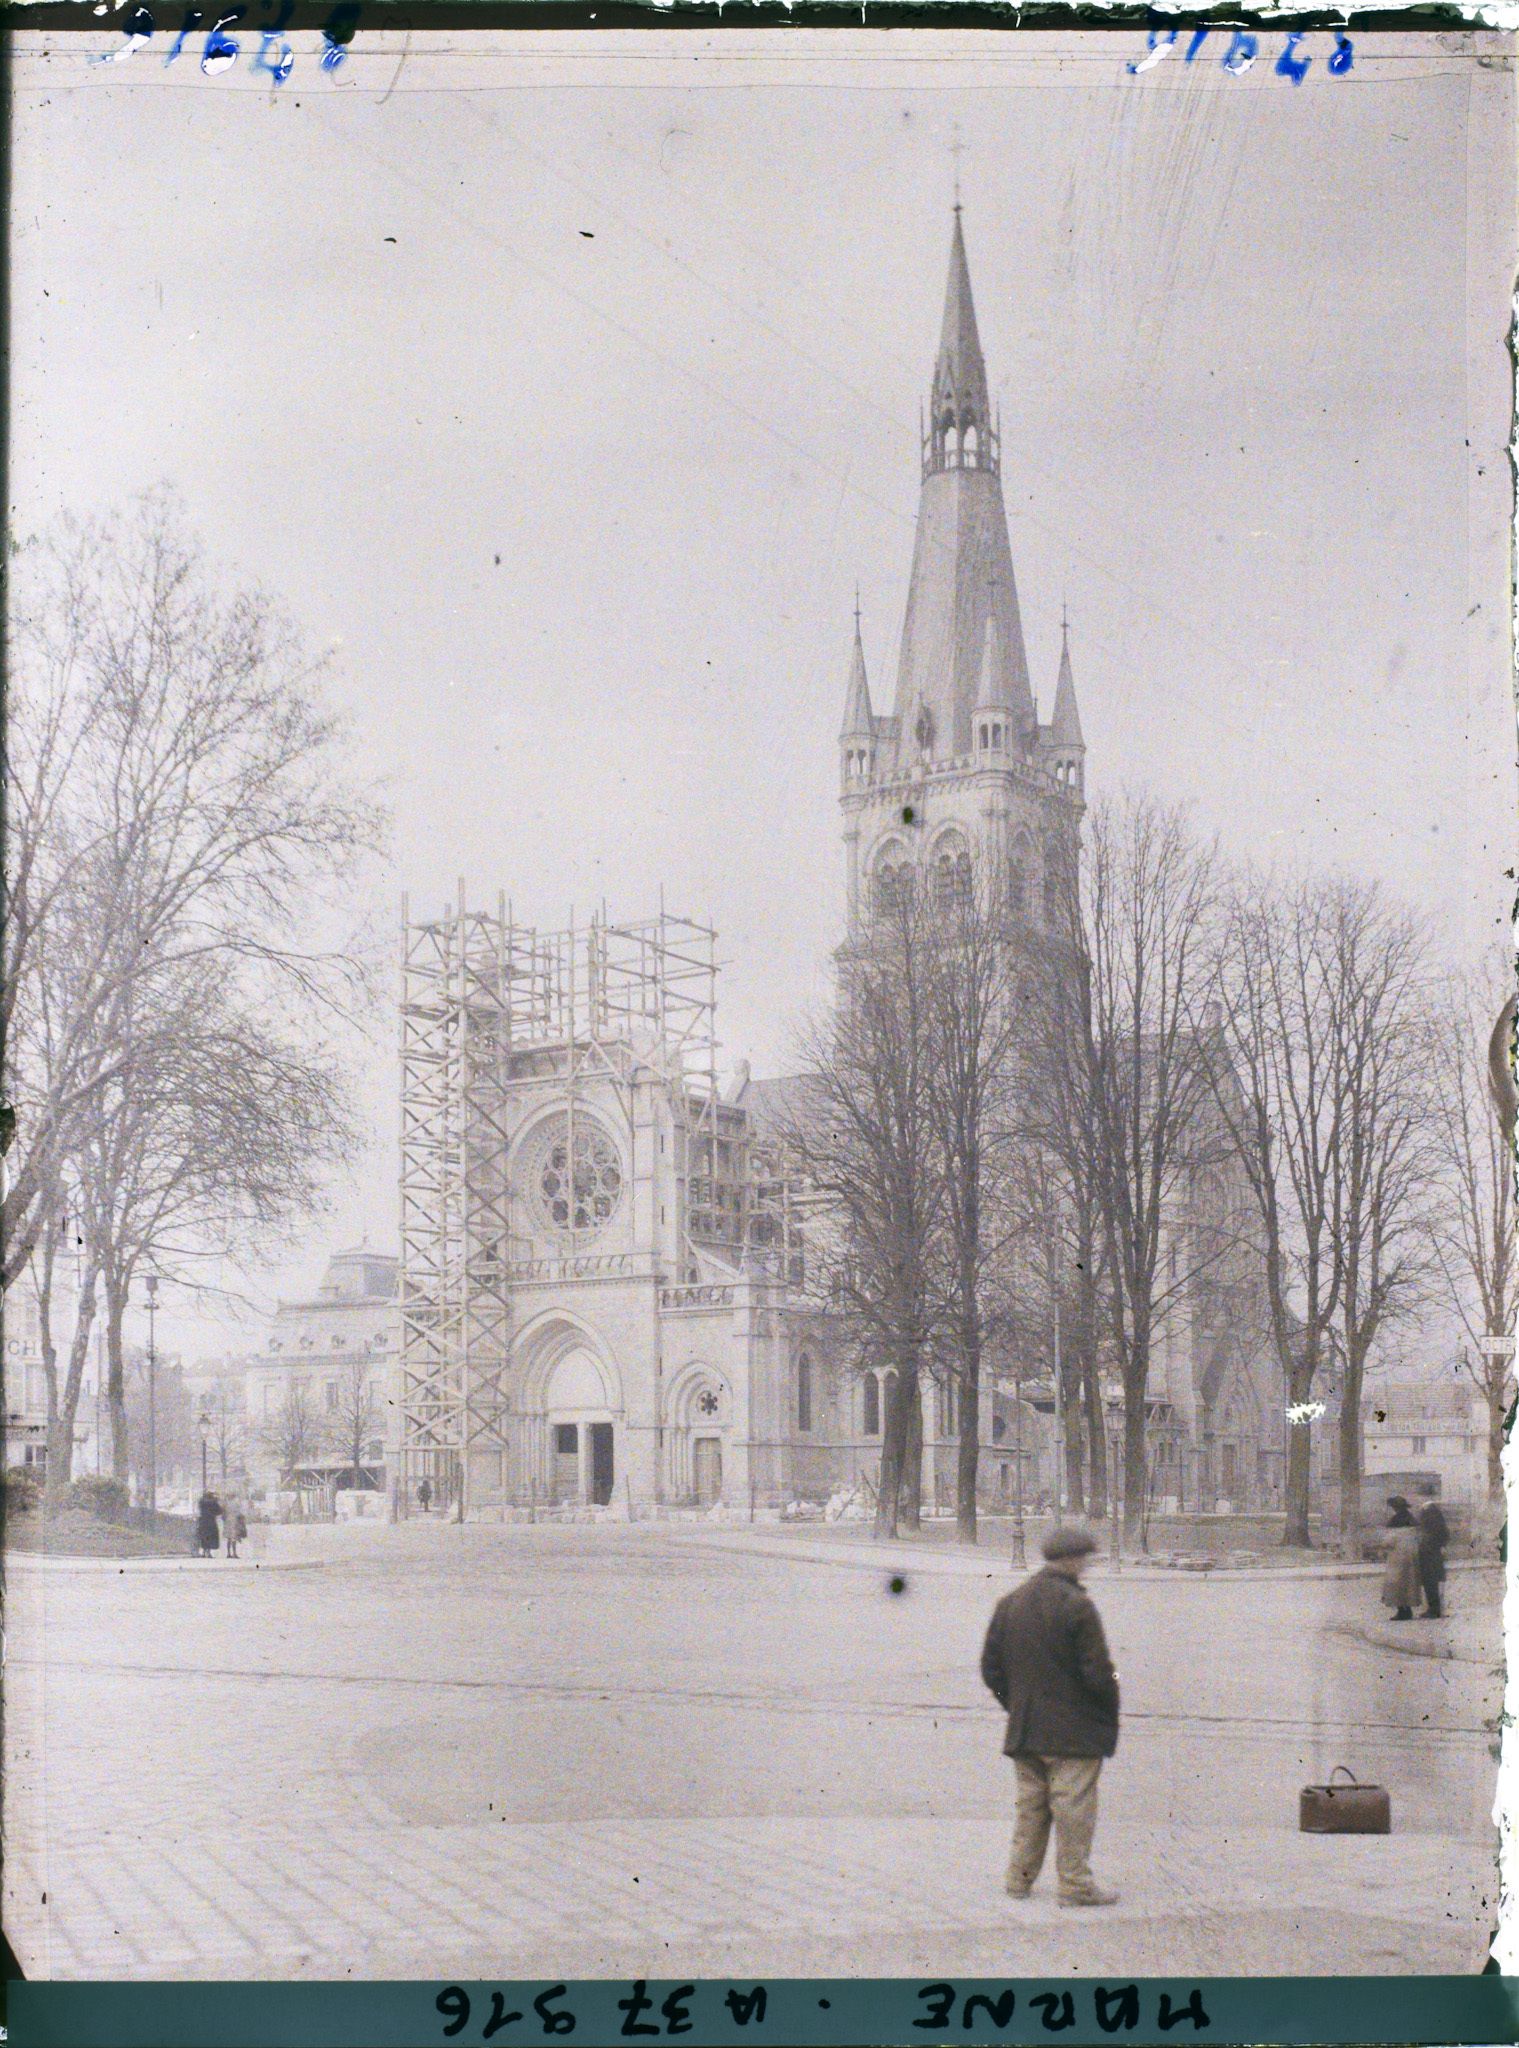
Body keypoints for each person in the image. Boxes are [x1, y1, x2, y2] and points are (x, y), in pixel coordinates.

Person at [980, 1524, 1121, 1908]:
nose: (1088, 1565)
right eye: (1086, 1559)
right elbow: (1098, 1674)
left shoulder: (1011, 1602)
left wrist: (1018, 1704)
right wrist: (1107, 1705)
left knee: (1031, 1808)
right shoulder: (1077, 1606)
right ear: (1073, 1560)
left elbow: (990, 1669)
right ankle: (1075, 1886)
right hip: (1074, 1733)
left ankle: (1018, 1880)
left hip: (1026, 1729)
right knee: (1073, 1811)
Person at [1381, 1496, 1421, 1621]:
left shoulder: (1395, 1522)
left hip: (1397, 1558)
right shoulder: (1412, 1520)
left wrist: (1382, 1546)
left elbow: (1388, 1542)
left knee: (1397, 1584)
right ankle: (1408, 1610)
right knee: (1409, 1583)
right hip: (1411, 1557)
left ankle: (1401, 1611)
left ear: (1395, 1508)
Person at [1416, 1501, 1449, 1619]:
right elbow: (1445, 1537)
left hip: (1427, 1556)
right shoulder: (1440, 1524)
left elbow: (1424, 1540)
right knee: (1434, 1583)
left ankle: (1433, 1610)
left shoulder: (1427, 1525)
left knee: (1429, 1584)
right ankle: (1436, 1609)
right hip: (1436, 1556)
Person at [195, 1490, 222, 1560]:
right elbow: (219, 1511)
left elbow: (199, 1509)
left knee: (204, 1536)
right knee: (211, 1536)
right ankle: (208, 1552)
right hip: (211, 1521)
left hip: (203, 1521)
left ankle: (204, 1551)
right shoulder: (213, 1502)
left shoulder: (201, 1502)